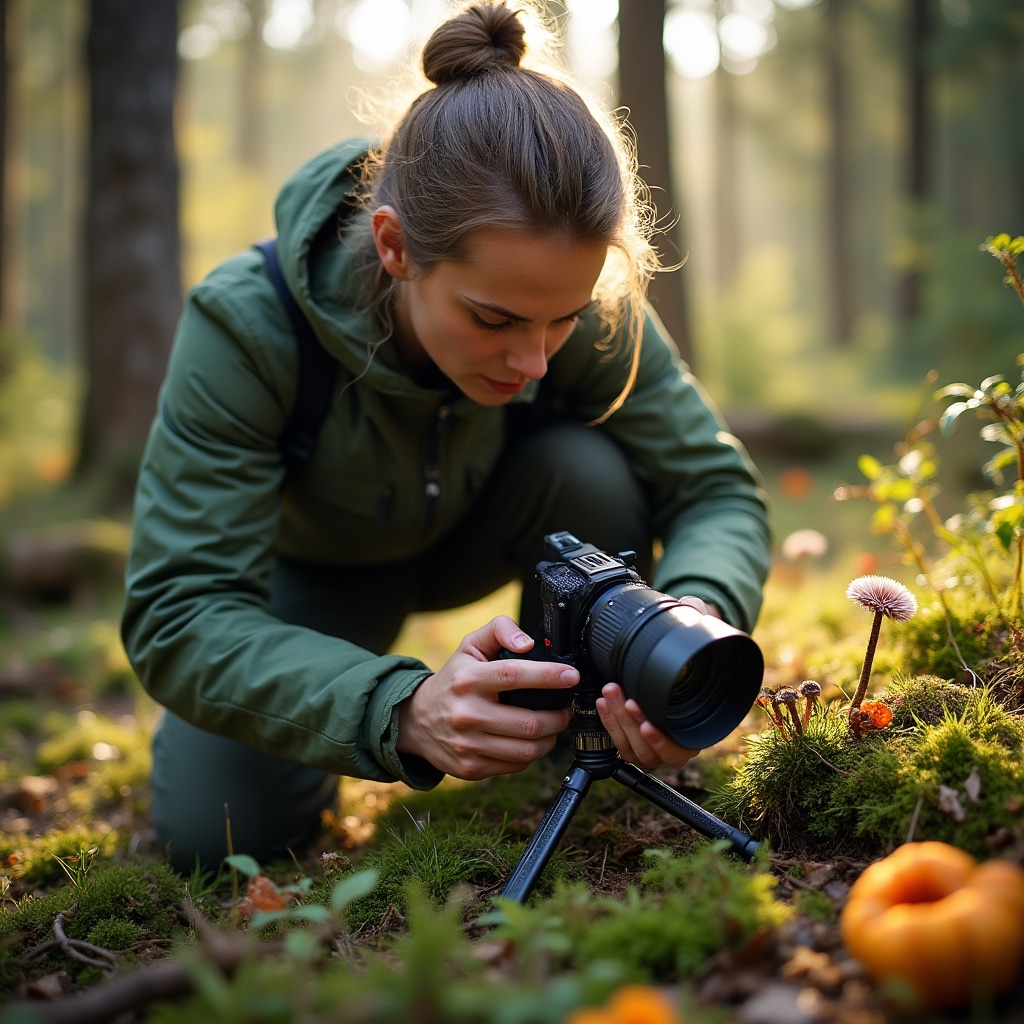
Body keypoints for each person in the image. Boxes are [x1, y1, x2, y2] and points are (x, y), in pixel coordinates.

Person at [121, 0, 772, 873]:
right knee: (220, 833)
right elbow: (180, 611)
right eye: (493, 318)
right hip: (321, 574)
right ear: (394, 247)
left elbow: (715, 487)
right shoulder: (246, 329)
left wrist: (691, 615)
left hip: (502, 522)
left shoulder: (582, 308)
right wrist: (400, 709)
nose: (534, 360)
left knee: (592, 470)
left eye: (562, 321)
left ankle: (573, 730)